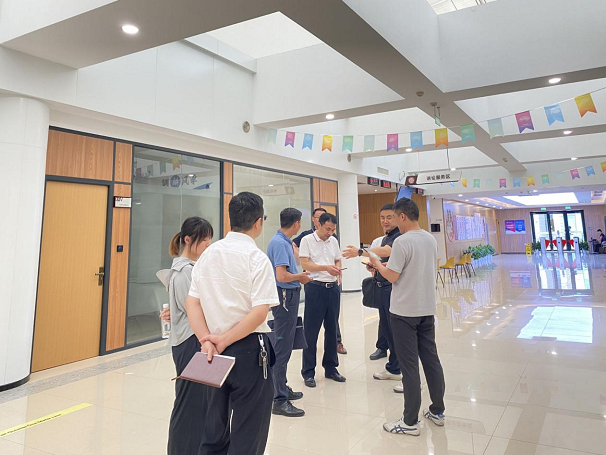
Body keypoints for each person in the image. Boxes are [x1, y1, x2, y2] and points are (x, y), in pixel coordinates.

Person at [185, 192, 279, 455]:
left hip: (210, 353)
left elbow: (192, 303)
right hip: (248, 350)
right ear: (258, 222)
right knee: (249, 431)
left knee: (212, 430)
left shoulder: (208, 255)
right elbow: (260, 312)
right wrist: (224, 340)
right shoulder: (256, 258)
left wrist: (206, 340)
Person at [369, 197, 446, 437]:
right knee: (431, 360)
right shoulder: (430, 239)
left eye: (394, 217)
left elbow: (392, 276)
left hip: (404, 312)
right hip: (426, 309)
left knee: (409, 365)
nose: (393, 223)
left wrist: (375, 264)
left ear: (402, 216)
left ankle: (410, 421)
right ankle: (437, 410)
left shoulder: (402, 241)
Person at [158, 217, 214, 455]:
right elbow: (195, 310)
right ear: (188, 240)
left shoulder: (189, 269)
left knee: (199, 404)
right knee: (190, 406)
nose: (208, 244)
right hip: (191, 342)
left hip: (192, 340)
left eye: (210, 239)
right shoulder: (185, 272)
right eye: (204, 239)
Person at [343, 204, 401, 384]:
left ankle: (397, 368)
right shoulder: (387, 237)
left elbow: (388, 251)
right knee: (386, 328)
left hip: (392, 288)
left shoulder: (399, 236)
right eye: (382, 217)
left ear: (398, 217)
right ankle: (393, 366)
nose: (385, 221)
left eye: (389, 217)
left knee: (394, 330)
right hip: (382, 286)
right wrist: (375, 265)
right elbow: (386, 259)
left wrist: (362, 252)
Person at [266, 208, 312, 417]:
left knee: (286, 343)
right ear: (296, 224)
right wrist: (300, 277)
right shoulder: (280, 243)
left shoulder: (284, 242)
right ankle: (279, 399)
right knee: (282, 347)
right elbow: (282, 276)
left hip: (288, 297)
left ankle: (281, 386)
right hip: (285, 297)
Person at [299, 212, 346, 387]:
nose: (330, 233)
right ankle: (308, 372)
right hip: (315, 288)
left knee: (332, 330)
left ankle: (331, 368)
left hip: (332, 289)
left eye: (333, 230)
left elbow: (338, 259)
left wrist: (338, 269)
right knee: (310, 332)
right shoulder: (307, 240)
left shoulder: (333, 241)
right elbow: (305, 264)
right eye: (328, 229)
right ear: (319, 224)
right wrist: (326, 267)